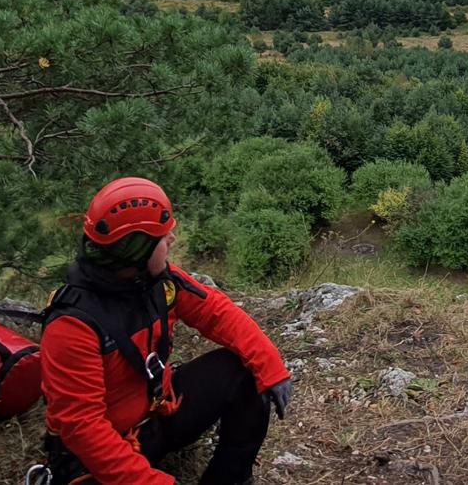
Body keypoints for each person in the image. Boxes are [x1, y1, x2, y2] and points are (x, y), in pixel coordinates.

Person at [41, 177, 293, 485]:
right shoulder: (72, 326)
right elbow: (84, 429)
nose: (172, 239)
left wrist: (271, 367)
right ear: (136, 249)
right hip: (102, 459)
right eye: (161, 236)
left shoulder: (158, 282)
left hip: (160, 415)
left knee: (244, 370)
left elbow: (216, 312)